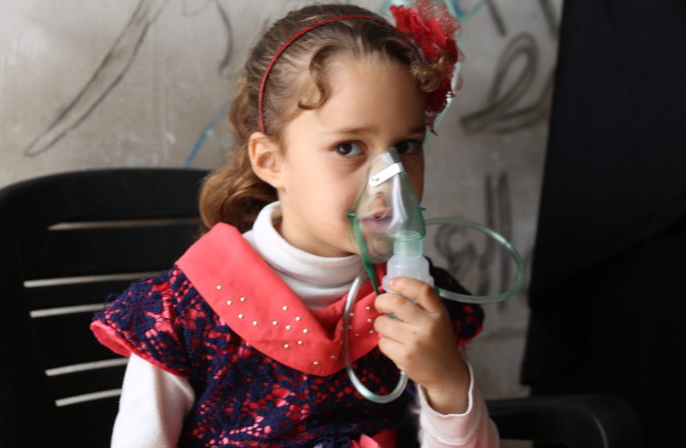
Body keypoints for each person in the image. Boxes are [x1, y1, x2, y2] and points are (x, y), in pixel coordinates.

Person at [91, 2, 498, 446]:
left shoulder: (419, 305)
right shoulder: (184, 314)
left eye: (405, 146)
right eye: (348, 148)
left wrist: (448, 383)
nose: (389, 181)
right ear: (270, 160)